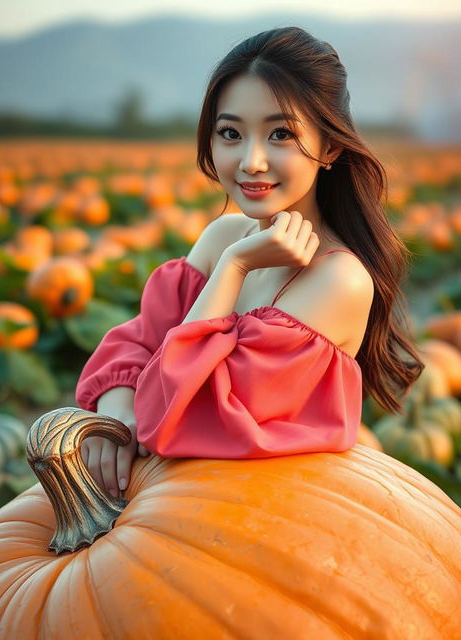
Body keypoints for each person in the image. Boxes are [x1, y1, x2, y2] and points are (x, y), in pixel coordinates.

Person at [75, 26, 424, 498]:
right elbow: (137, 341)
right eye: (231, 133)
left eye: (280, 133)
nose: (251, 160)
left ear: (331, 147)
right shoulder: (224, 234)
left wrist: (235, 267)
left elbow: (169, 413)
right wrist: (117, 414)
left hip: (260, 525)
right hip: (164, 511)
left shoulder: (338, 280)